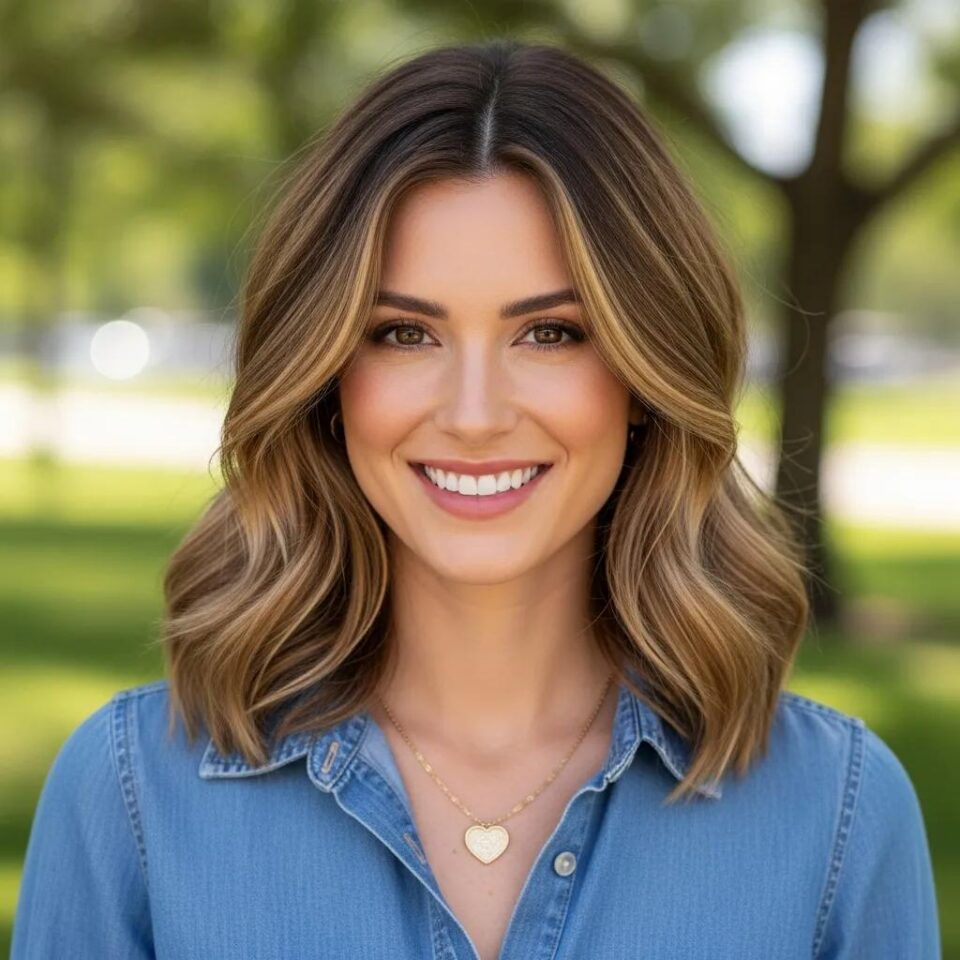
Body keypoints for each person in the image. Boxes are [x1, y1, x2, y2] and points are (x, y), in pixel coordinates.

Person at [12, 39, 940, 960]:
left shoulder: (838, 815)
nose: (474, 414)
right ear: (327, 375)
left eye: (549, 332)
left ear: (645, 376)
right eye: (406, 333)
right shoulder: (132, 796)